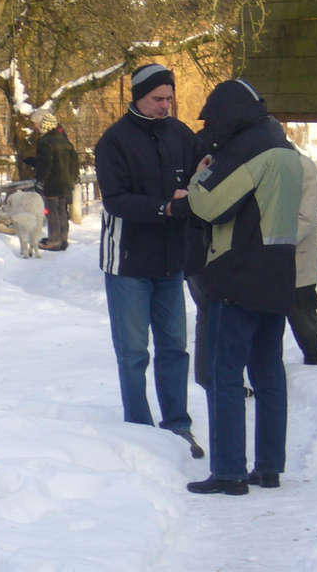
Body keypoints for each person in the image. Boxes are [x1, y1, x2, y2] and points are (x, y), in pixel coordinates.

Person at [184, 78, 302, 495]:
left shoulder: (253, 152)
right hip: (278, 272)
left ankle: (230, 472)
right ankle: (269, 468)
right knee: (269, 372)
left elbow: (212, 206)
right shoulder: (287, 150)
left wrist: (198, 181)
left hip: (238, 273)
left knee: (224, 374)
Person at [94, 63, 205, 459]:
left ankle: (178, 426)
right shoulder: (114, 141)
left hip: (170, 262)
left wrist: (193, 192)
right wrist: (165, 208)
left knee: (175, 347)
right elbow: (116, 201)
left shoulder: (180, 135)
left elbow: (202, 175)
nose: (165, 105)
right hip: (127, 262)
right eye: (158, 98)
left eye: (169, 99)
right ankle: (138, 430)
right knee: (134, 351)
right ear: (137, 96)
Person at [289, 143, 317, 365]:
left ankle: (313, 358)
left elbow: (307, 217)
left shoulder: (304, 167)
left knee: (303, 315)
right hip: (270, 256)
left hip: (297, 255)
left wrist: (277, 243)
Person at [30, 110, 79, 251]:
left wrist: (40, 180)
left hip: (52, 182)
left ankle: (54, 240)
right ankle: (63, 239)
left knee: (52, 212)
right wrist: (72, 179)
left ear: (41, 123)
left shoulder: (45, 142)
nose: (34, 127)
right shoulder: (64, 140)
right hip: (66, 183)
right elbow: (74, 162)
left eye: (35, 124)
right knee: (62, 211)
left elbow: (46, 164)